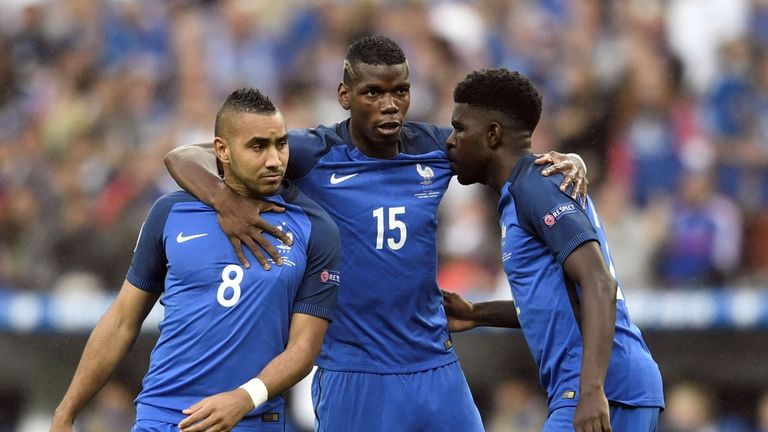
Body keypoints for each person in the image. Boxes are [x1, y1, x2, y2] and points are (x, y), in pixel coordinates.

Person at [164, 35, 587, 431]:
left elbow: (503, 152)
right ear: (345, 96)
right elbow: (183, 157)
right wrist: (225, 201)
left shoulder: (436, 147)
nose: (390, 105)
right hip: (354, 373)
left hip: (434, 366)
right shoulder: (313, 152)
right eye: (373, 93)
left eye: (400, 91)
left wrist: (566, 160)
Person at [51, 87, 341, 432]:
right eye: (258, 146)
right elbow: (121, 321)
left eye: (280, 144)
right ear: (222, 150)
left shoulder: (314, 228)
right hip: (163, 417)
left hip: (252, 420)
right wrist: (66, 413)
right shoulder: (171, 212)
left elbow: (304, 348)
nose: (275, 160)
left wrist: (244, 397)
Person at [442, 68, 665, 431]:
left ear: (493, 134)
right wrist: (477, 312)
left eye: (459, 128)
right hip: (602, 387)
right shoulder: (524, 192)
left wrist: (592, 391)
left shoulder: (535, 188)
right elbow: (559, 302)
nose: (451, 141)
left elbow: (598, 282)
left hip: (599, 388)